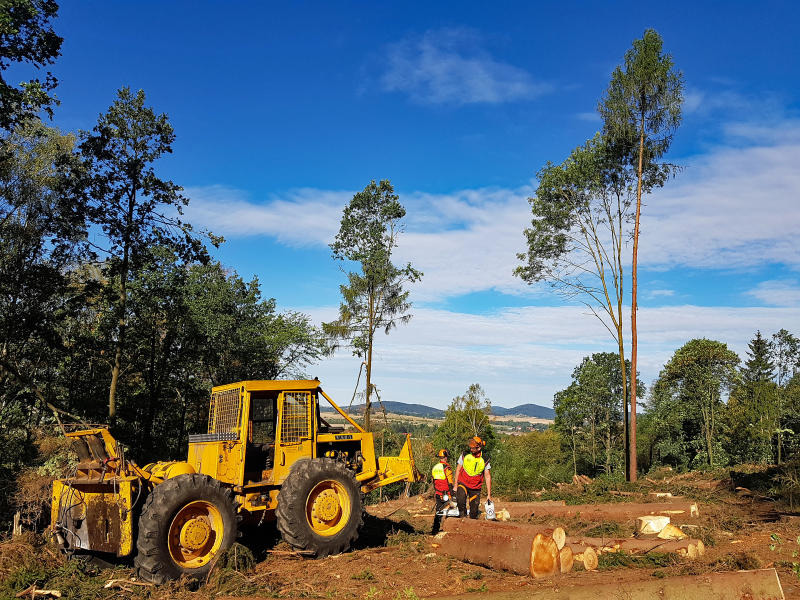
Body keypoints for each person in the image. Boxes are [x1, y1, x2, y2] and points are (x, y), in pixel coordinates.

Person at [453, 436, 491, 519]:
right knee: (460, 499)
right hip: (463, 482)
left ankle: (471, 524)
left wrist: (489, 494)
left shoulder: (485, 459)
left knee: (474, 511)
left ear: (479, 448)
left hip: (475, 487)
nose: (471, 449)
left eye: (473, 448)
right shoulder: (464, 454)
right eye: (470, 447)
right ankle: (462, 518)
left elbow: (487, 476)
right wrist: (455, 485)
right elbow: (458, 469)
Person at [431, 448, 454, 534]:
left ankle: (435, 530)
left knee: (438, 511)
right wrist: (452, 493)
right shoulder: (447, 468)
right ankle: (449, 527)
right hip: (446, 493)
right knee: (451, 510)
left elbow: (434, 481)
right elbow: (450, 482)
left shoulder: (435, 467)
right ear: (446, 457)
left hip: (438, 492)